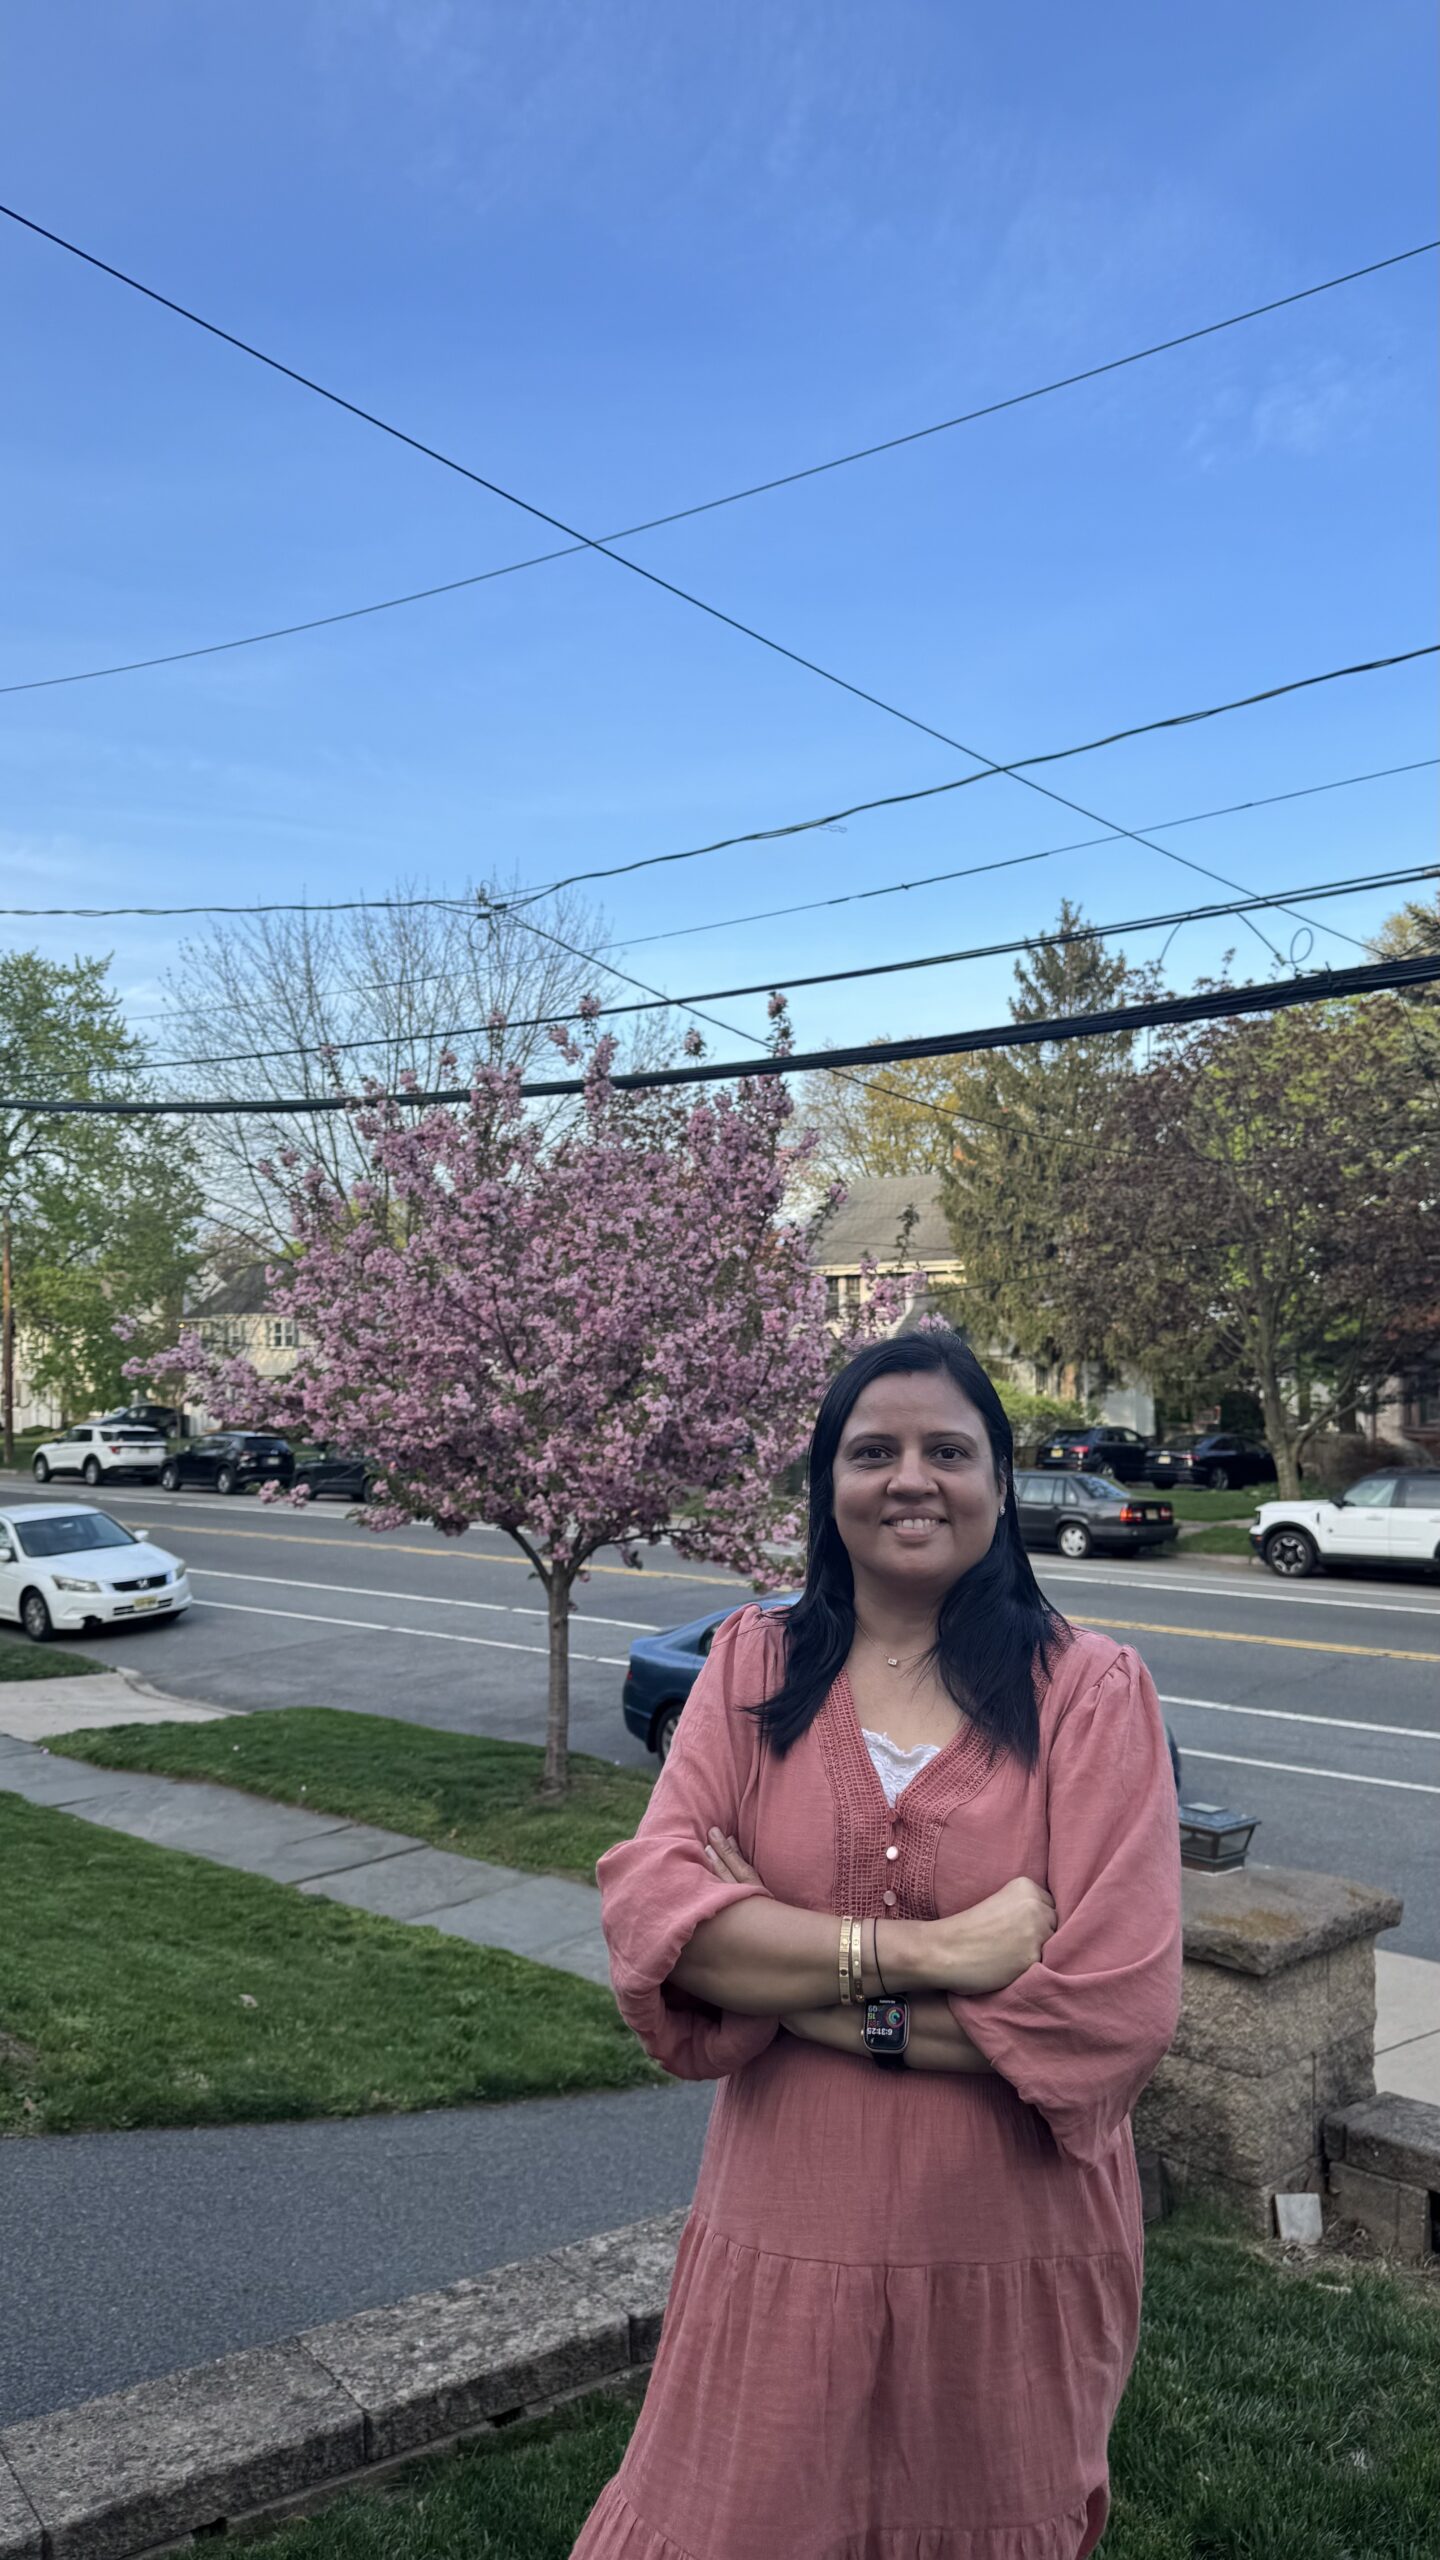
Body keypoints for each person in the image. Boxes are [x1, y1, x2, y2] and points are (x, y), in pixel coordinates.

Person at [570, 1331, 1182, 2560]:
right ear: (827, 1486)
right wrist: (943, 1950)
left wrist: (789, 1979)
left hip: (1010, 2247)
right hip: (785, 2225)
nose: (912, 1478)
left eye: (948, 1450)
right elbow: (654, 1917)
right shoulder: (752, 1664)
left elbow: (1113, 2011)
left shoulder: (1092, 1694)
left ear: (1001, 1485)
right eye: (873, 1451)